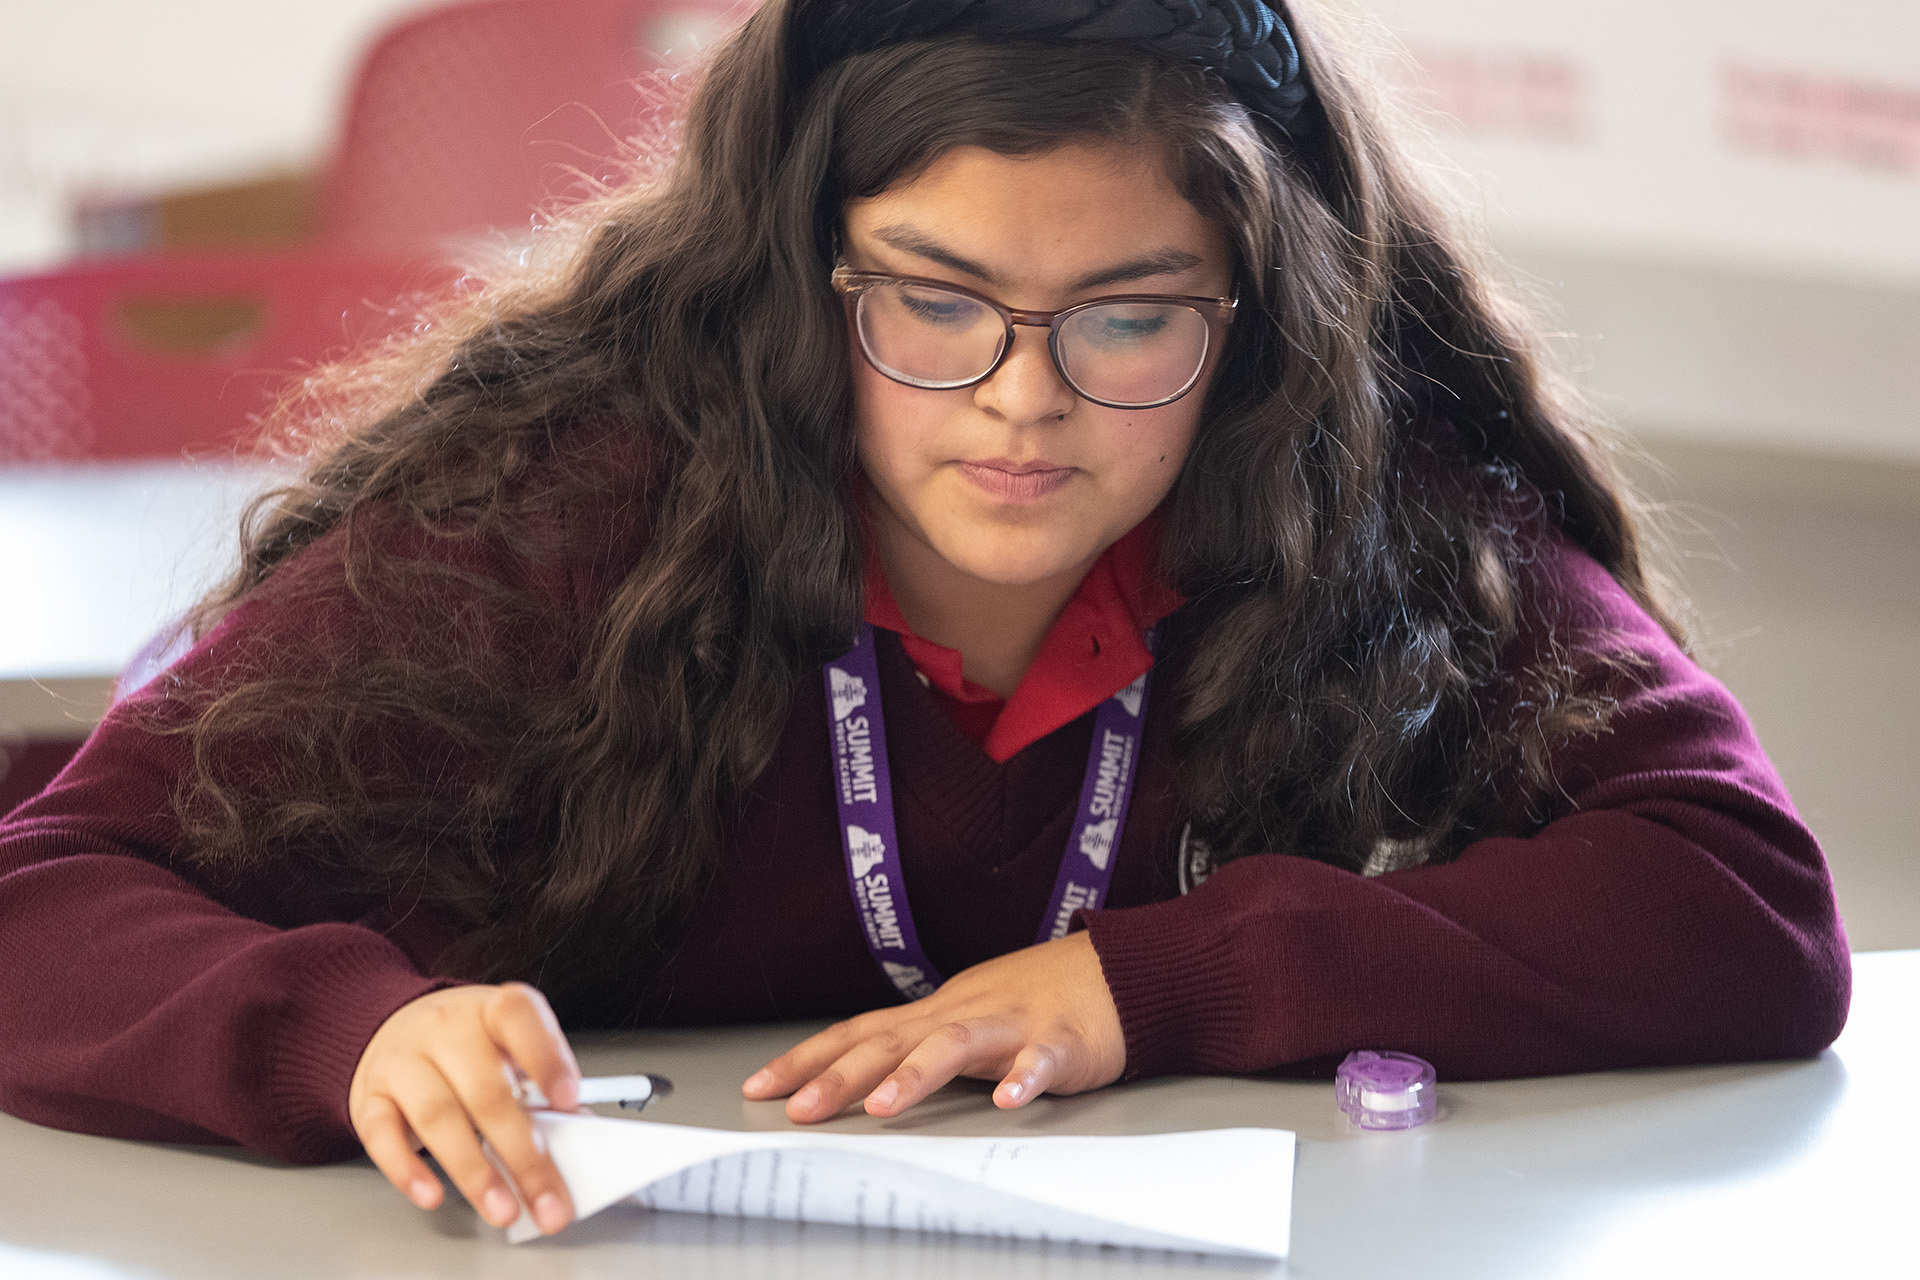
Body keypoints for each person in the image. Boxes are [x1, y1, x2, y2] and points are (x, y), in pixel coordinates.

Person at [0, 0, 1848, 1243]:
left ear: (1260, 312)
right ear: (805, 281)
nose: (1020, 403)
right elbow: (43, 895)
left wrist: (1171, 978)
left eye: (1132, 317)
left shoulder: (1365, 488)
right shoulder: (567, 510)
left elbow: (1745, 901)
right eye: (937, 303)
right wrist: (344, 1032)